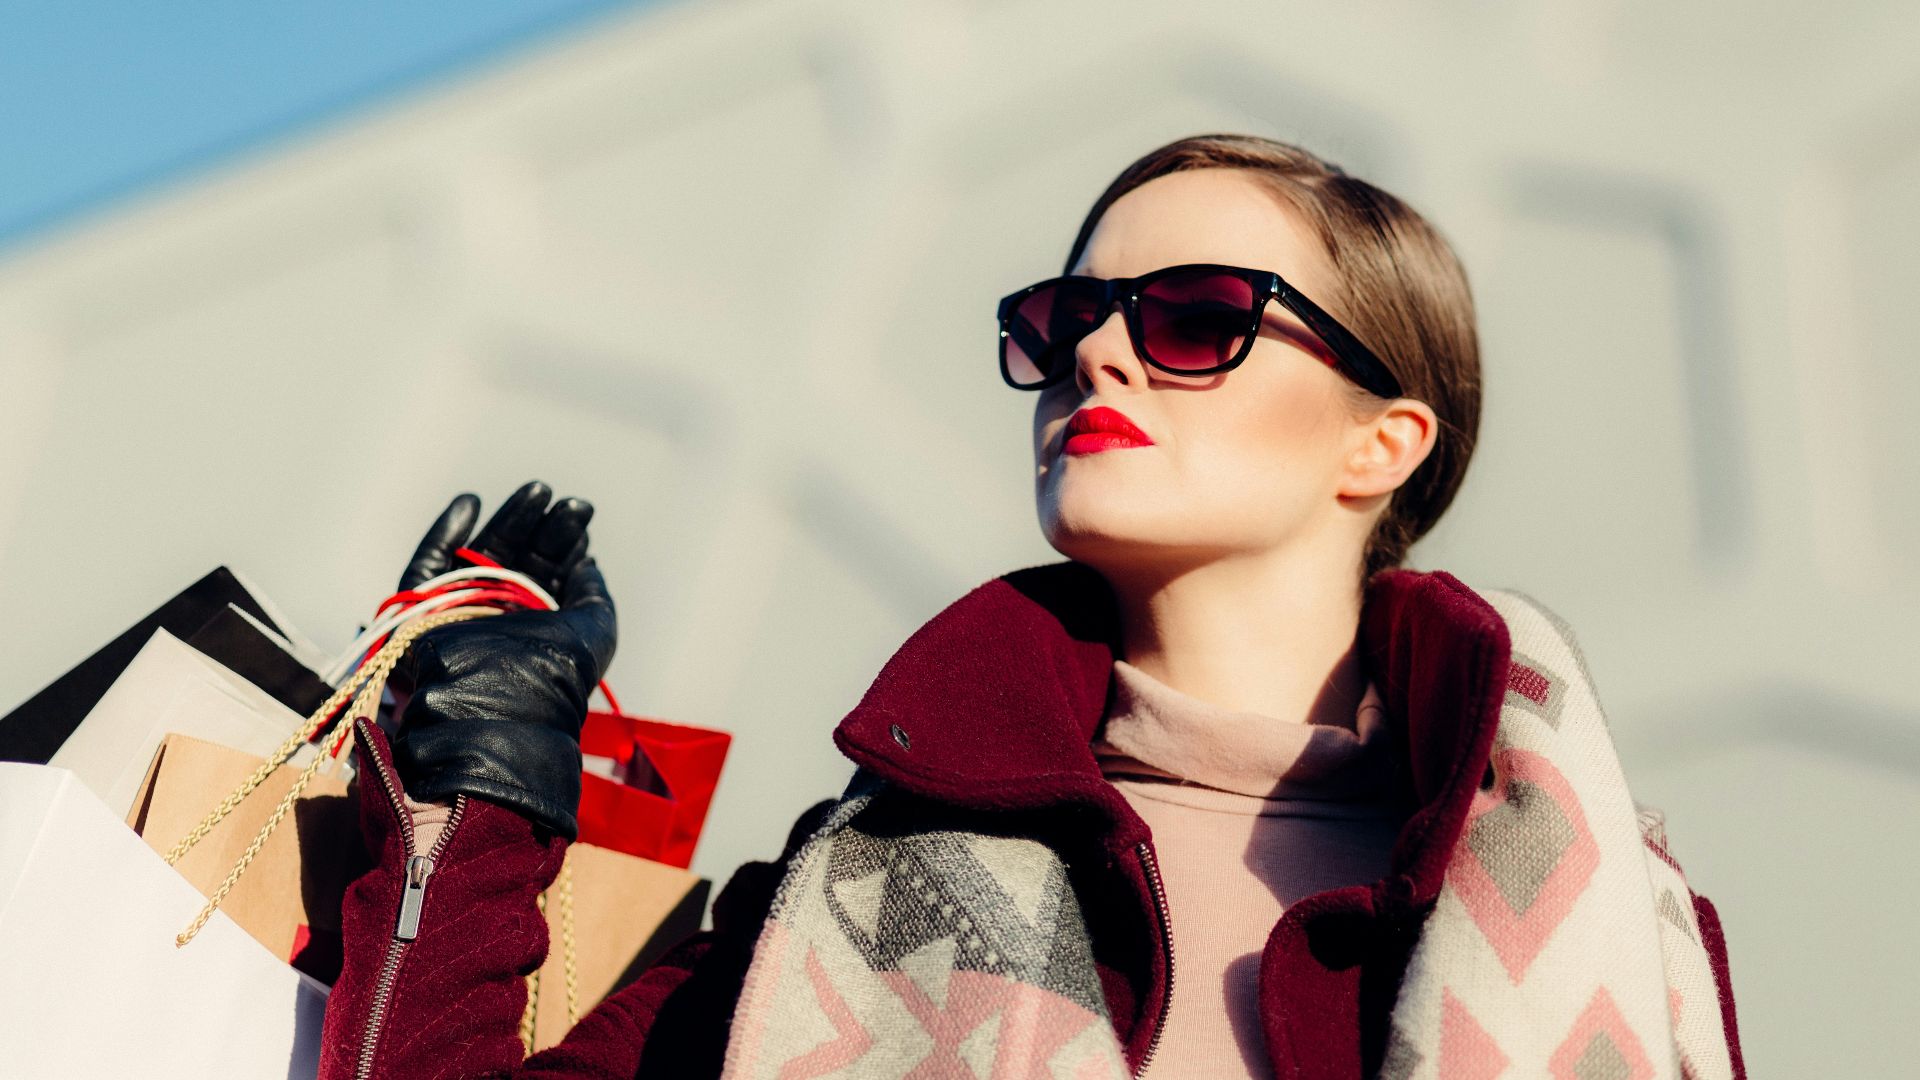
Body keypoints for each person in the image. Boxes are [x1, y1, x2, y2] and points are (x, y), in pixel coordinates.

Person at [318, 134, 1744, 1079]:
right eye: (1069, 322)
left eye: (1197, 316)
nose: (1100, 357)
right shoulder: (855, 886)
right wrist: (487, 776)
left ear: (1383, 444)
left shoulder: (1602, 915)